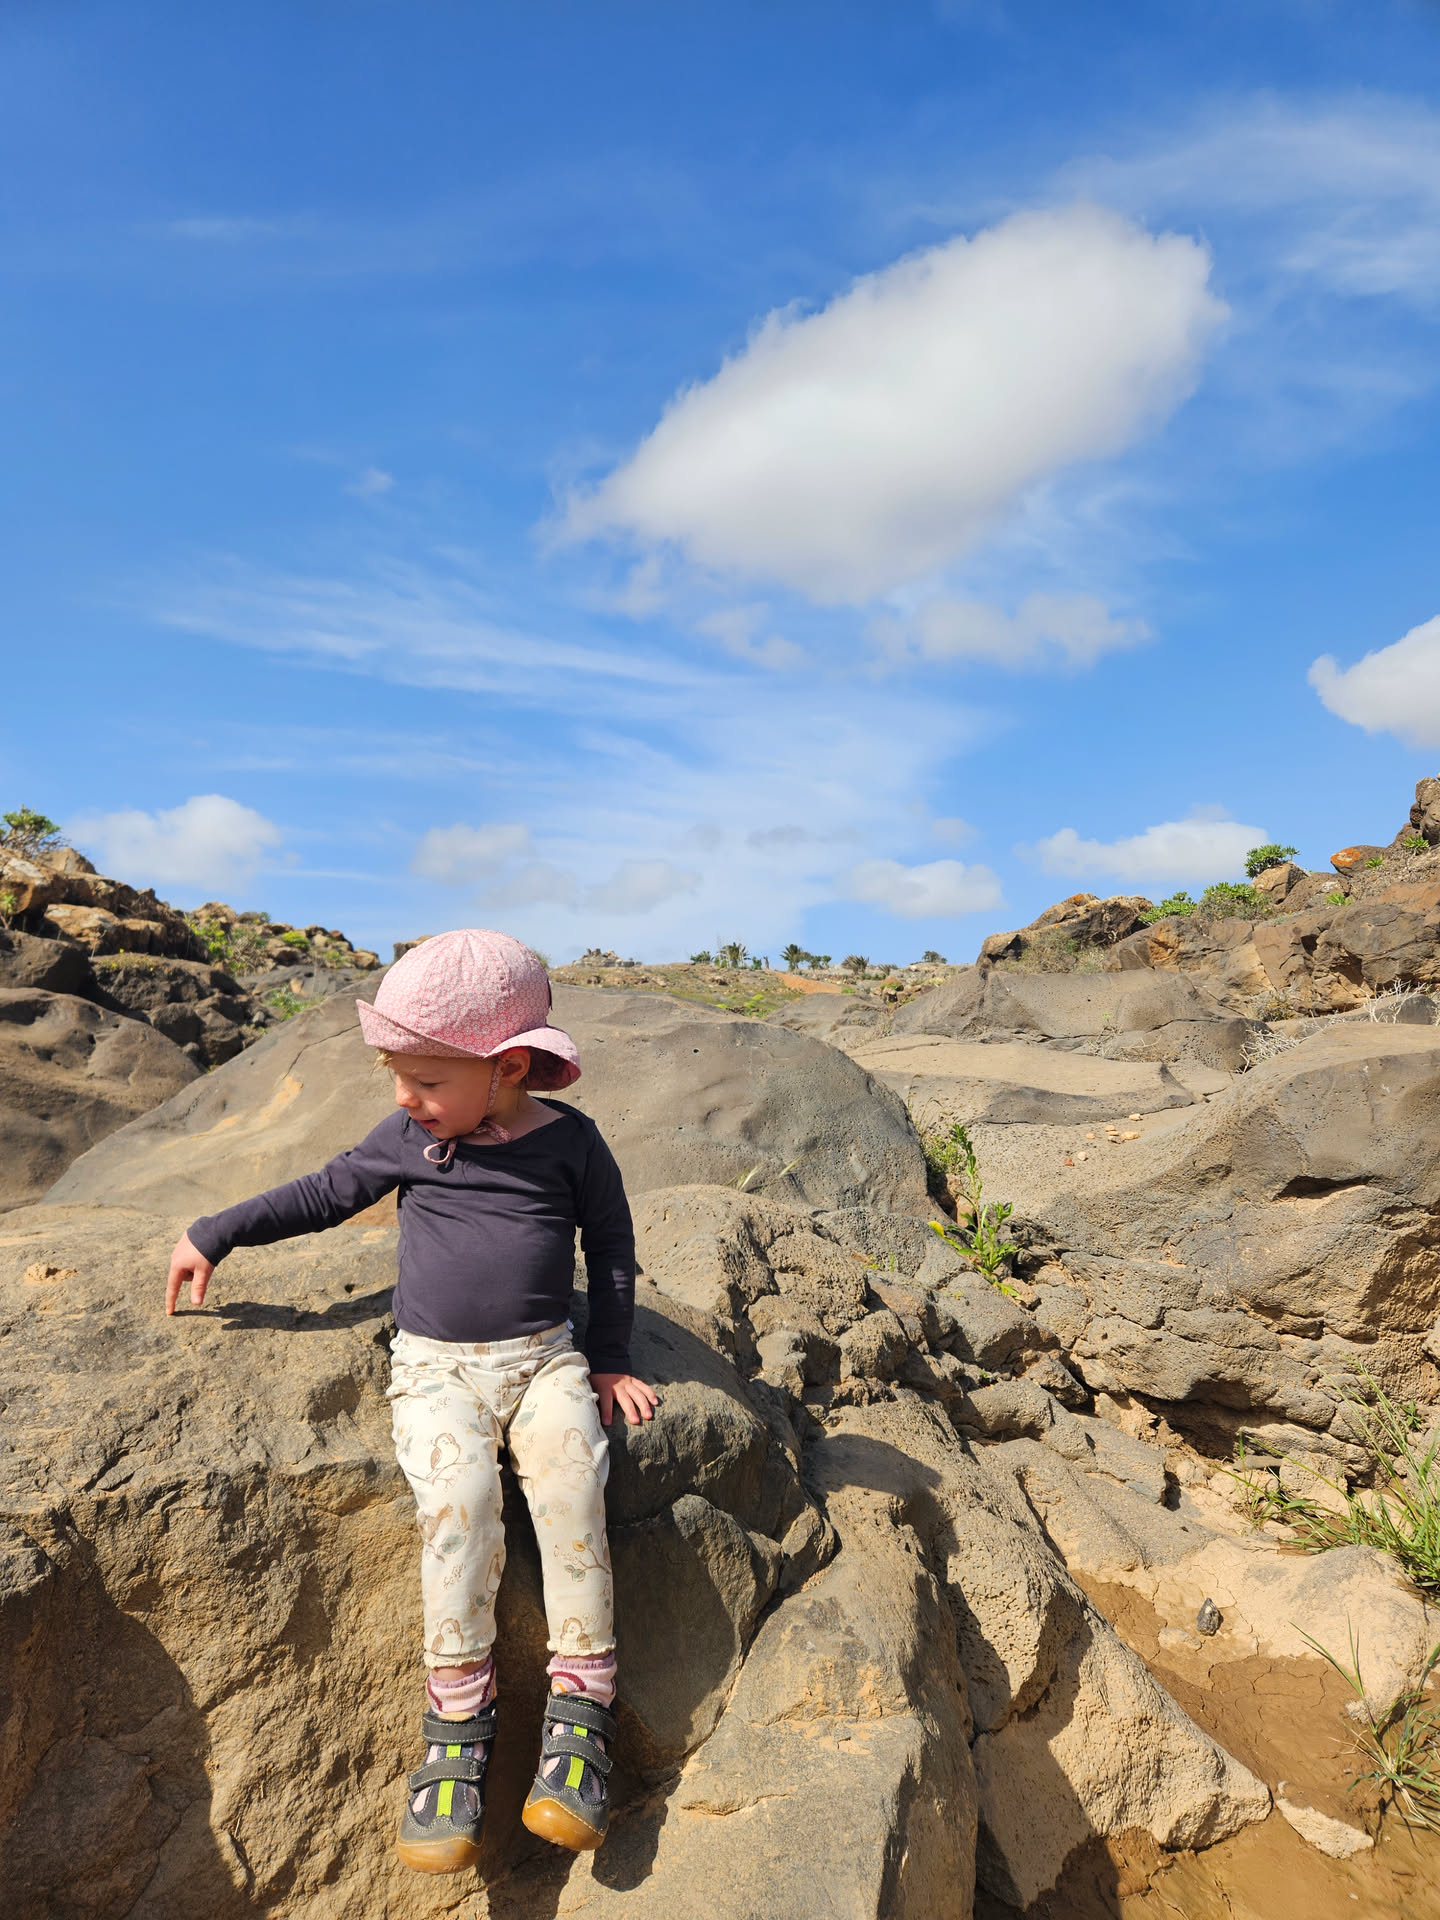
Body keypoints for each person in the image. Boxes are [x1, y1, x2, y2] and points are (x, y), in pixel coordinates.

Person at [164, 929, 657, 1874]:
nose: (403, 1096)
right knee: (459, 1506)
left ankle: (581, 1716)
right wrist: (214, 1232)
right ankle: (457, 1728)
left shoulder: (573, 1145)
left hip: (545, 1361)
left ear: (509, 1068)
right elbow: (323, 1194)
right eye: (396, 1074)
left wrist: (609, 1359)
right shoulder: (410, 1139)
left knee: (573, 1489)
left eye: (426, 1079)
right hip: (435, 1370)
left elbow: (612, 1249)